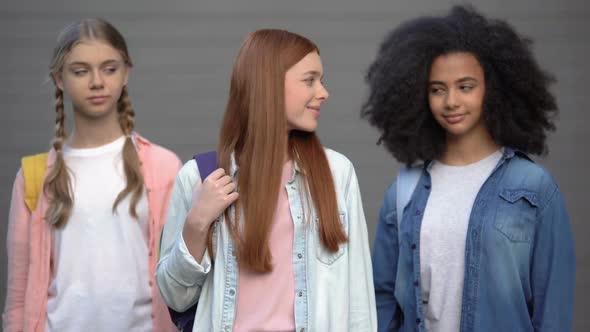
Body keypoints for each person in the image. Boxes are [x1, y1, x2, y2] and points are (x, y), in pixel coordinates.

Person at [362, 6, 575, 332]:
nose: (451, 102)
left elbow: (553, 311)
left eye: (465, 86)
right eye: (437, 89)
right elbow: (383, 299)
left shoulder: (534, 188)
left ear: (493, 90)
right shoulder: (403, 191)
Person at [156, 29, 376, 331]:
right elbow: (175, 298)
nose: (323, 92)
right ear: (268, 84)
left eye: (321, 80)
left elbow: (358, 302)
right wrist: (196, 223)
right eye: (310, 80)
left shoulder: (338, 173)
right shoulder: (198, 178)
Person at [3, 18, 181, 332]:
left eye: (109, 68)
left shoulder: (163, 167)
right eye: (81, 70)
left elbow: (181, 277)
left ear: (126, 73)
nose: (97, 81)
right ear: (59, 78)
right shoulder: (33, 176)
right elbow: (18, 296)